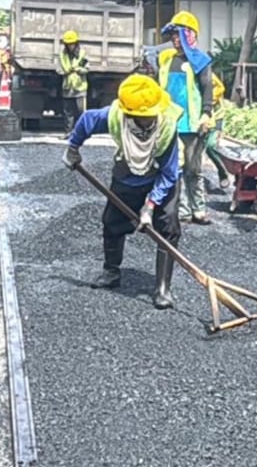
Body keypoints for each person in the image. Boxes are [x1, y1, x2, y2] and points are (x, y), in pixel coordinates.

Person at [62, 74, 183, 309]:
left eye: (151, 116)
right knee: (112, 221)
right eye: (143, 118)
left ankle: (162, 288)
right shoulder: (115, 116)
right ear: (131, 114)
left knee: (168, 227)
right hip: (127, 174)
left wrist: (150, 206)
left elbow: (169, 173)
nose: (149, 121)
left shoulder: (167, 125)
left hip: (160, 177)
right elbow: (86, 121)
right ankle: (111, 273)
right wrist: (73, 149)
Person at [158, 11, 214, 224]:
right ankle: (180, 210)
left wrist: (206, 113)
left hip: (192, 123)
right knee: (175, 169)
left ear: (189, 35)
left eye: (178, 34)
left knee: (194, 168)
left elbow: (207, 87)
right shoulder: (166, 61)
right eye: (172, 35)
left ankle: (198, 209)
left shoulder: (200, 61)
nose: (174, 39)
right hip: (170, 121)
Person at [204, 72, 230, 189]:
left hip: (215, 117)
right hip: (195, 119)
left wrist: (207, 99)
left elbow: (220, 88)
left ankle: (222, 172)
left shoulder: (209, 76)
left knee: (210, 147)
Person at [60, 30, 88, 136]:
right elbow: (58, 69)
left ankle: (80, 133)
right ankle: (68, 133)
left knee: (81, 112)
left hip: (79, 88)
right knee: (68, 113)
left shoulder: (82, 54)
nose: (70, 46)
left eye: (72, 44)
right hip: (67, 88)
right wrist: (65, 72)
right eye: (68, 44)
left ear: (76, 43)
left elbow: (87, 68)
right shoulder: (63, 55)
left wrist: (79, 70)